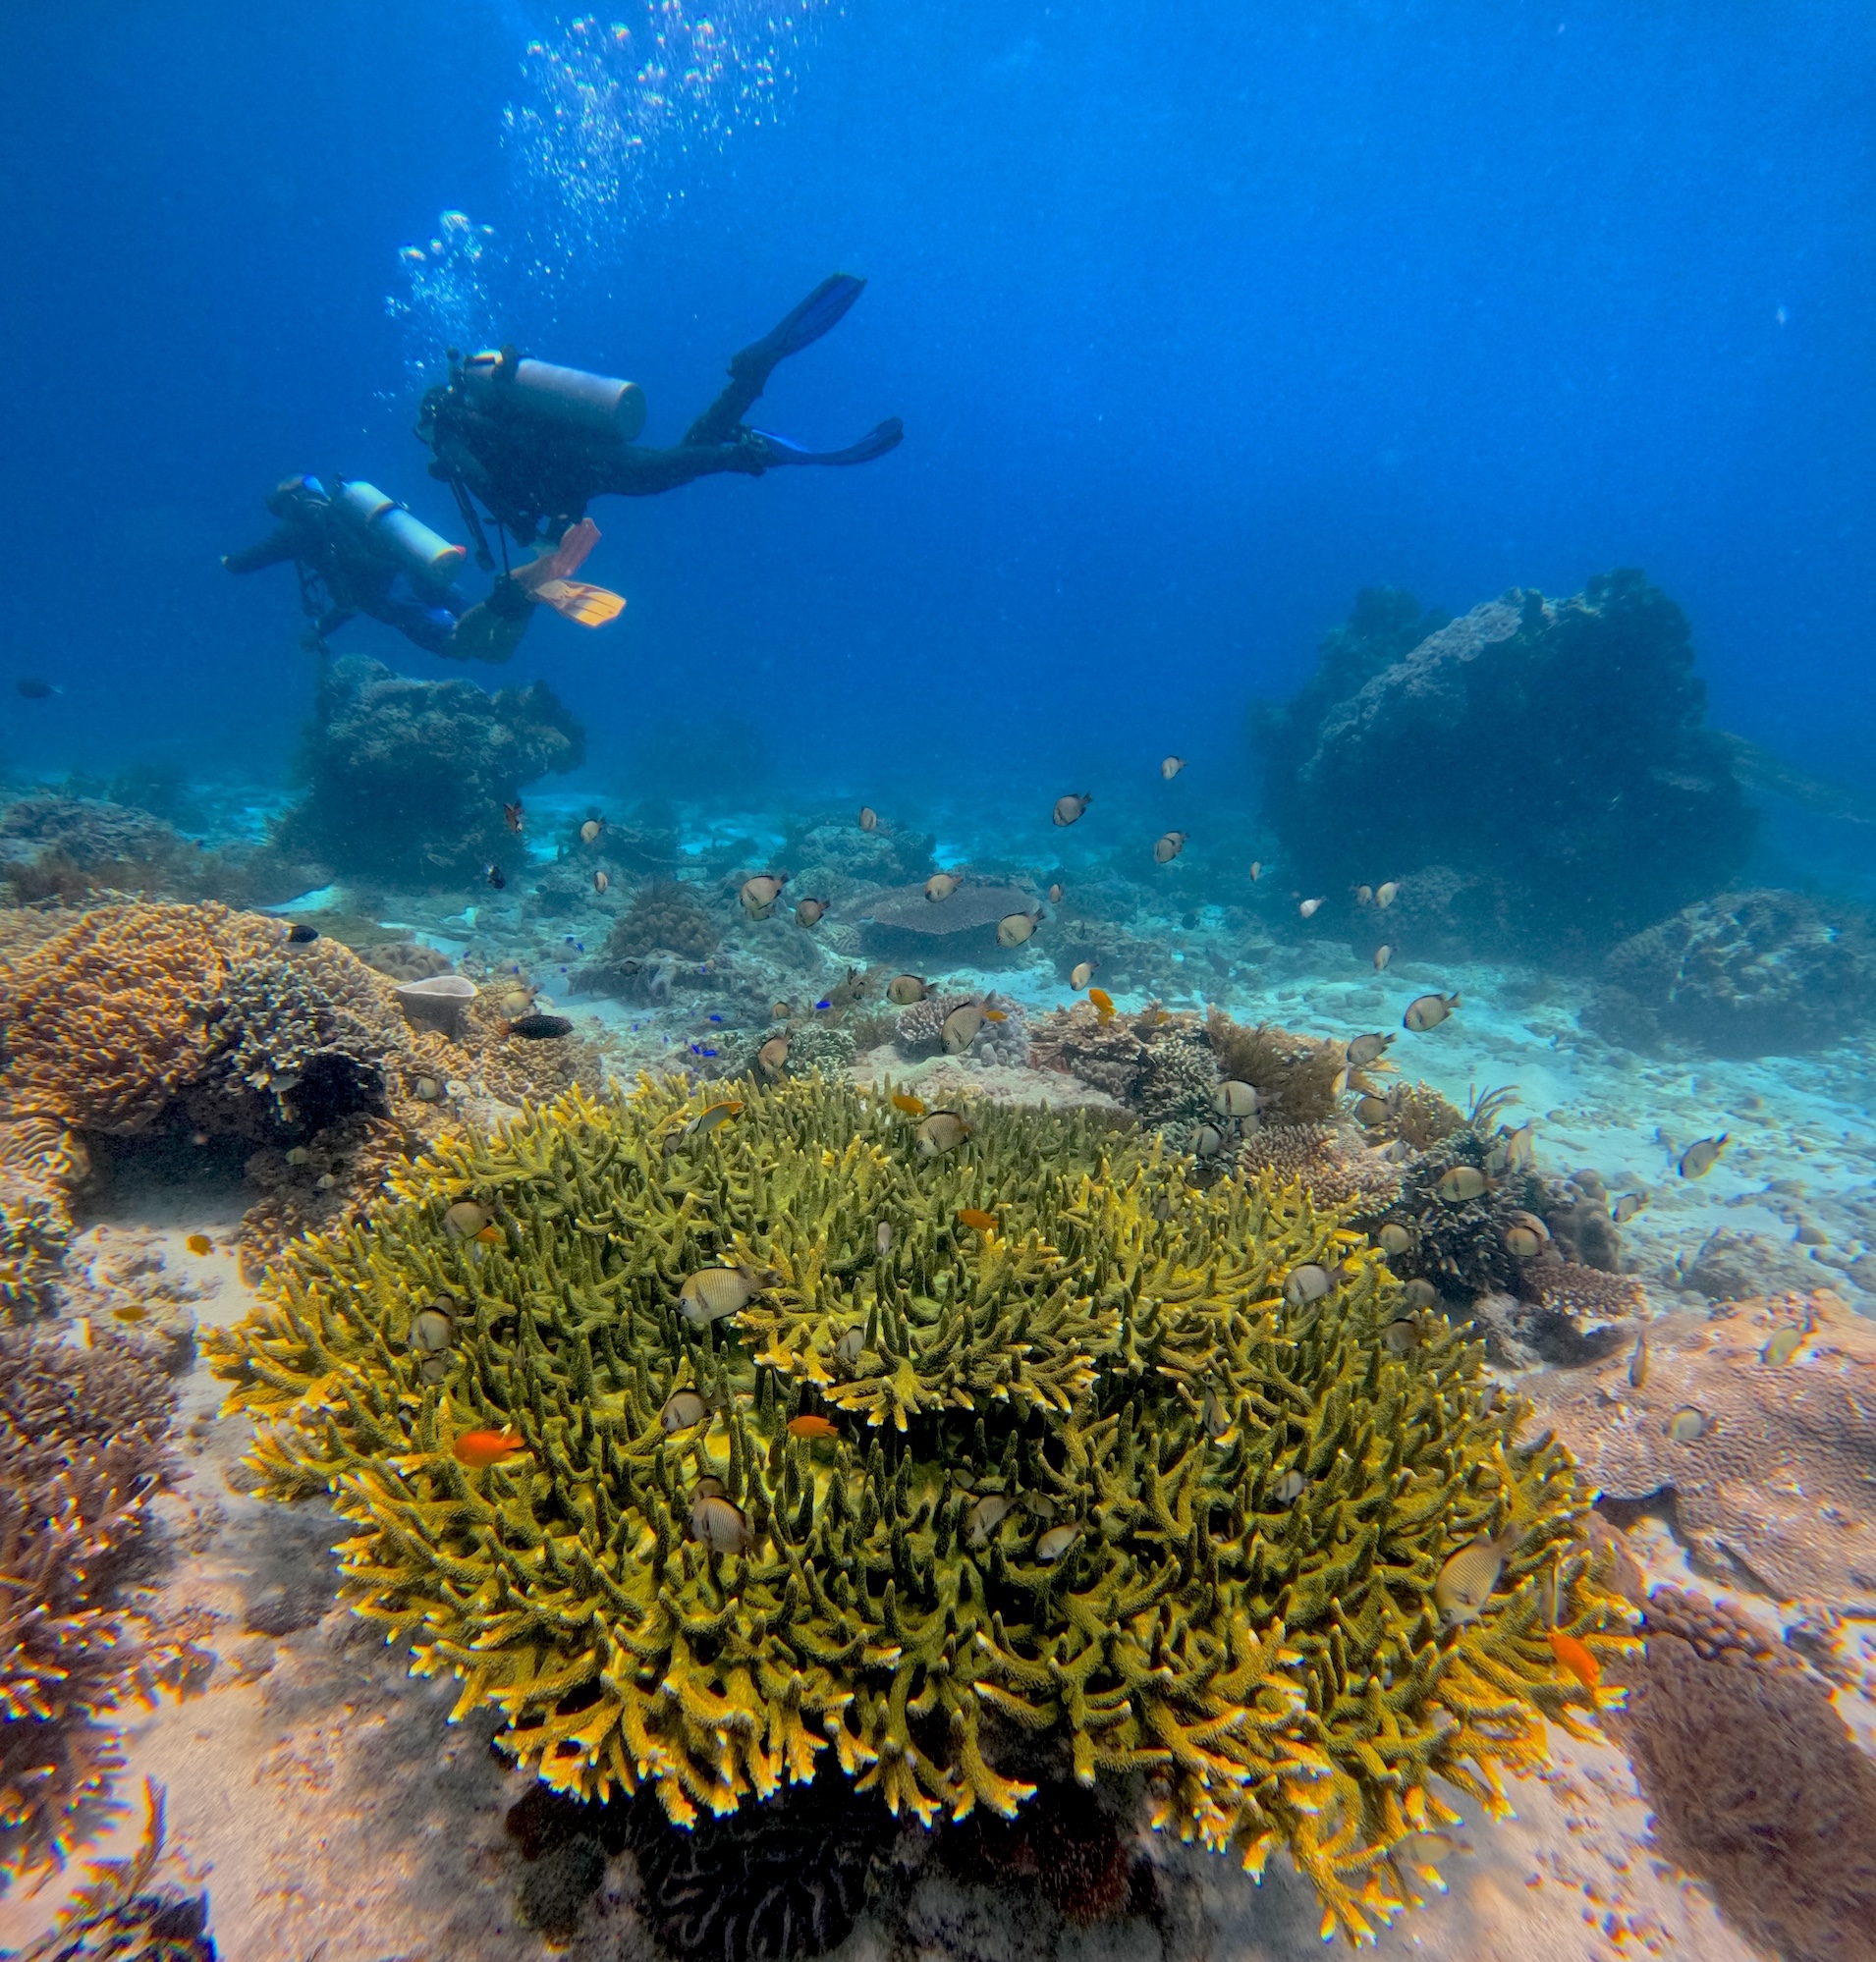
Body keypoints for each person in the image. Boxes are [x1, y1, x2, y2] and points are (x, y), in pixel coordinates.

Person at [417, 273, 903, 561]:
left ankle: (747, 455)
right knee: (673, 460)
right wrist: (559, 522)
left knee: (657, 474)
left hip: (567, 459)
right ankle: (748, 382)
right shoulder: (476, 413)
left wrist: (527, 536)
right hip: (569, 464)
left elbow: (481, 478)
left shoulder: (450, 433)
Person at [222, 474, 536, 661]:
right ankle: (521, 599)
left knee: (459, 646)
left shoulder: (293, 532)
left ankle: (506, 595)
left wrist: (226, 561)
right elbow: (352, 589)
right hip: (425, 571)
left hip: (392, 598)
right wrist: (320, 629)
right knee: (495, 650)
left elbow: (242, 564)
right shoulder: (349, 511)